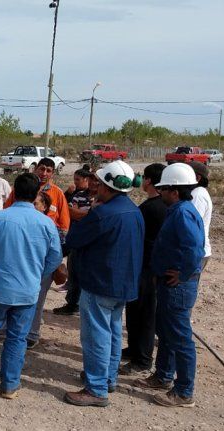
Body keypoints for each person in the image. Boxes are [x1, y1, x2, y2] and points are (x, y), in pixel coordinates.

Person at [0, 173, 62, 398]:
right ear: (36, 194)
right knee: (17, 337)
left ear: (13, 192)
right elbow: (55, 258)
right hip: (28, 291)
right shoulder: (46, 223)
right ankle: (10, 385)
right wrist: (37, 274)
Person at [62, 160, 144, 407]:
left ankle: (96, 389)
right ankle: (108, 378)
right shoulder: (134, 210)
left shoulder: (102, 213)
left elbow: (75, 238)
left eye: (98, 183)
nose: (95, 188)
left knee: (96, 335)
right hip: (123, 285)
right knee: (113, 332)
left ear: (108, 187)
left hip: (100, 284)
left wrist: (90, 212)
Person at [134, 163, 205, 408]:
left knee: (180, 337)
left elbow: (195, 248)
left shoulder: (183, 212)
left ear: (174, 191)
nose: (160, 192)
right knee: (166, 332)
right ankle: (163, 375)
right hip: (167, 281)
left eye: (164, 189)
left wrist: (183, 273)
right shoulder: (179, 209)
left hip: (178, 286)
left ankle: (184, 391)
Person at [3, 158, 69, 347]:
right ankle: (6, 327)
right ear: (36, 168)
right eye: (42, 169)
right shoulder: (21, 190)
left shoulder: (57, 194)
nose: (45, 173)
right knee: (13, 290)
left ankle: (32, 333)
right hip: (18, 251)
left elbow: (64, 226)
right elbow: (7, 212)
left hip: (43, 255)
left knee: (37, 297)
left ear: (53, 173)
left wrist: (53, 259)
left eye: (49, 170)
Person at [121, 163, 168, 375]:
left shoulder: (153, 208)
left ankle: (142, 358)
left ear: (148, 181)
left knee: (145, 314)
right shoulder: (156, 205)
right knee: (134, 311)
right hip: (142, 267)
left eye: (144, 177)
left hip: (147, 269)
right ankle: (133, 349)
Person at [54, 166, 94, 315]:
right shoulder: (78, 195)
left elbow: (91, 217)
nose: (75, 182)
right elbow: (70, 213)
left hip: (91, 242)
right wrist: (89, 213)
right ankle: (72, 303)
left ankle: (83, 305)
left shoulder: (102, 199)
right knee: (74, 270)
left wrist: (83, 213)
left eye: (78, 179)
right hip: (77, 238)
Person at [187, 161, 212, 270]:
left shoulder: (197, 195)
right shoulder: (198, 193)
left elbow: (191, 226)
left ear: (197, 178)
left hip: (197, 252)